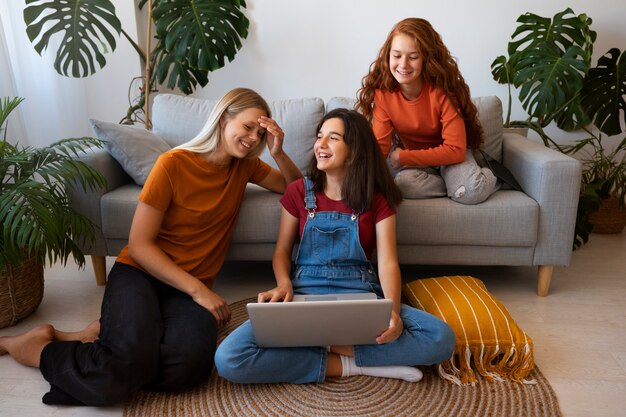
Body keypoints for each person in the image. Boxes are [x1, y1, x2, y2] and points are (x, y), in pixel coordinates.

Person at [0, 88, 302, 406]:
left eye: (260, 132)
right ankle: (37, 348)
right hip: (141, 274)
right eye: (248, 127)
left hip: (185, 289)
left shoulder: (245, 168)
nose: (254, 138)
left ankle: (111, 340)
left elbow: (298, 192)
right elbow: (140, 246)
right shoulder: (171, 165)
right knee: (117, 375)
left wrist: (278, 151)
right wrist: (200, 291)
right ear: (224, 117)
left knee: (190, 368)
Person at [214, 108, 455, 384]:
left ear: (353, 151)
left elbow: (388, 262)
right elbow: (281, 252)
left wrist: (391, 312)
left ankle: (321, 347)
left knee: (441, 339)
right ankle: (355, 364)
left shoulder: (376, 199)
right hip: (303, 294)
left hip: (361, 295)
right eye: (319, 137)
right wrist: (283, 284)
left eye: (333, 138)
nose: (320, 144)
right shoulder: (298, 192)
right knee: (229, 358)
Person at [356, 17, 498, 205]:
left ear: (426, 58)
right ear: (388, 56)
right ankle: (453, 187)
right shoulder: (383, 93)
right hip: (416, 165)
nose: (403, 64)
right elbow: (380, 148)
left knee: (472, 191)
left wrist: (404, 157)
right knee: (401, 184)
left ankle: (489, 177)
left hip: (449, 159)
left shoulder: (443, 91)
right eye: (397, 56)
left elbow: (455, 150)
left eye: (413, 57)